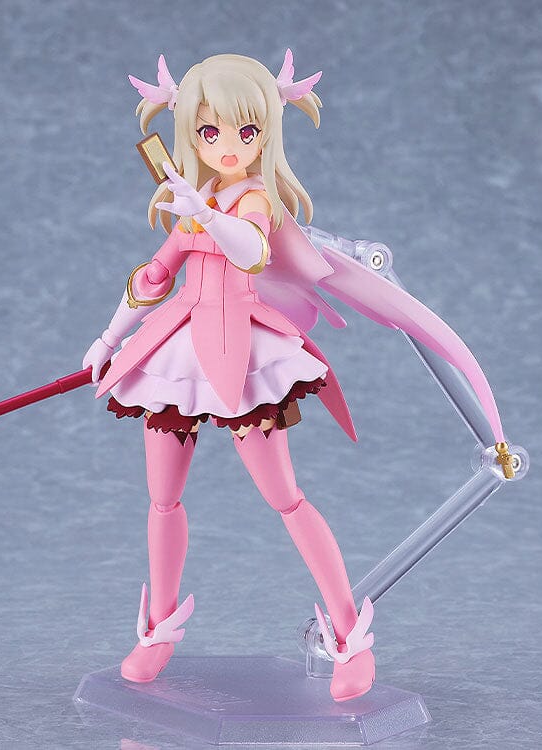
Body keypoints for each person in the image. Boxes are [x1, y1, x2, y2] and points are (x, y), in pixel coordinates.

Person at [83, 51, 376, 702]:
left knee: (285, 496)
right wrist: (107, 338)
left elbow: (252, 250)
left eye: (246, 131)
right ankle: (158, 630)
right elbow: (154, 277)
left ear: (266, 132)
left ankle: (350, 636)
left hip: (243, 351)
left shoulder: (252, 198)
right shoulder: (195, 203)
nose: (228, 146)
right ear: (189, 132)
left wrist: (206, 213)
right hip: (179, 349)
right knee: (162, 496)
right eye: (209, 131)